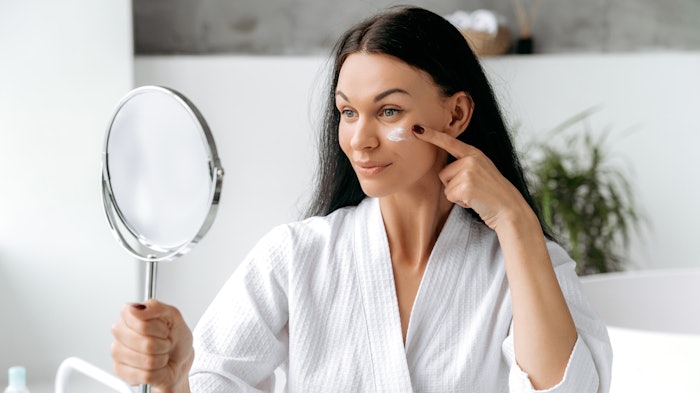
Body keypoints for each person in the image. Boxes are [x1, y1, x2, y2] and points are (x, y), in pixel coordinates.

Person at [111, 6, 612, 393]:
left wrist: (515, 222)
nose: (359, 139)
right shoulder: (294, 256)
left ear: (457, 114)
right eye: (348, 113)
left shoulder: (520, 265)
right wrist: (175, 380)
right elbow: (212, 380)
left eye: (388, 110)